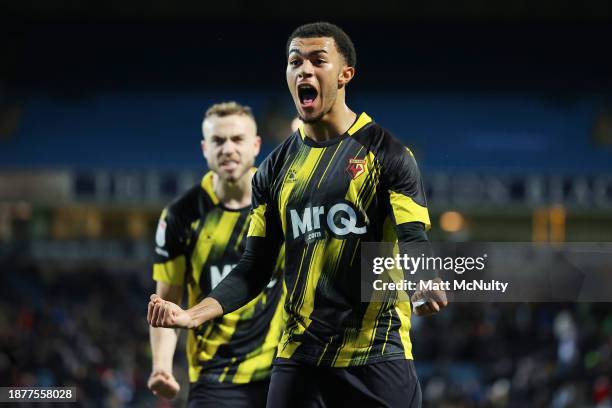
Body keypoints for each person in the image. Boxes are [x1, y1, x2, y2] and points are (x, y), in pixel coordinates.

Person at [148, 23, 446, 407]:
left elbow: (413, 239)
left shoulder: (388, 155)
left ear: (345, 75)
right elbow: (254, 268)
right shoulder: (274, 169)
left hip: (376, 353)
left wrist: (424, 278)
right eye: (295, 62)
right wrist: (193, 315)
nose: (304, 70)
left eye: (318, 60)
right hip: (299, 360)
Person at [147, 102, 285, 408]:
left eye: (237, 139)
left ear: (256, 146)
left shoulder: (283, 201)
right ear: (204, 148)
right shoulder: (180, 216)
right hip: (214, 379)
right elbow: (166, 303)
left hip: (282, 373)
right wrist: (161, 367)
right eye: (218, 141)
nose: (228, 149)